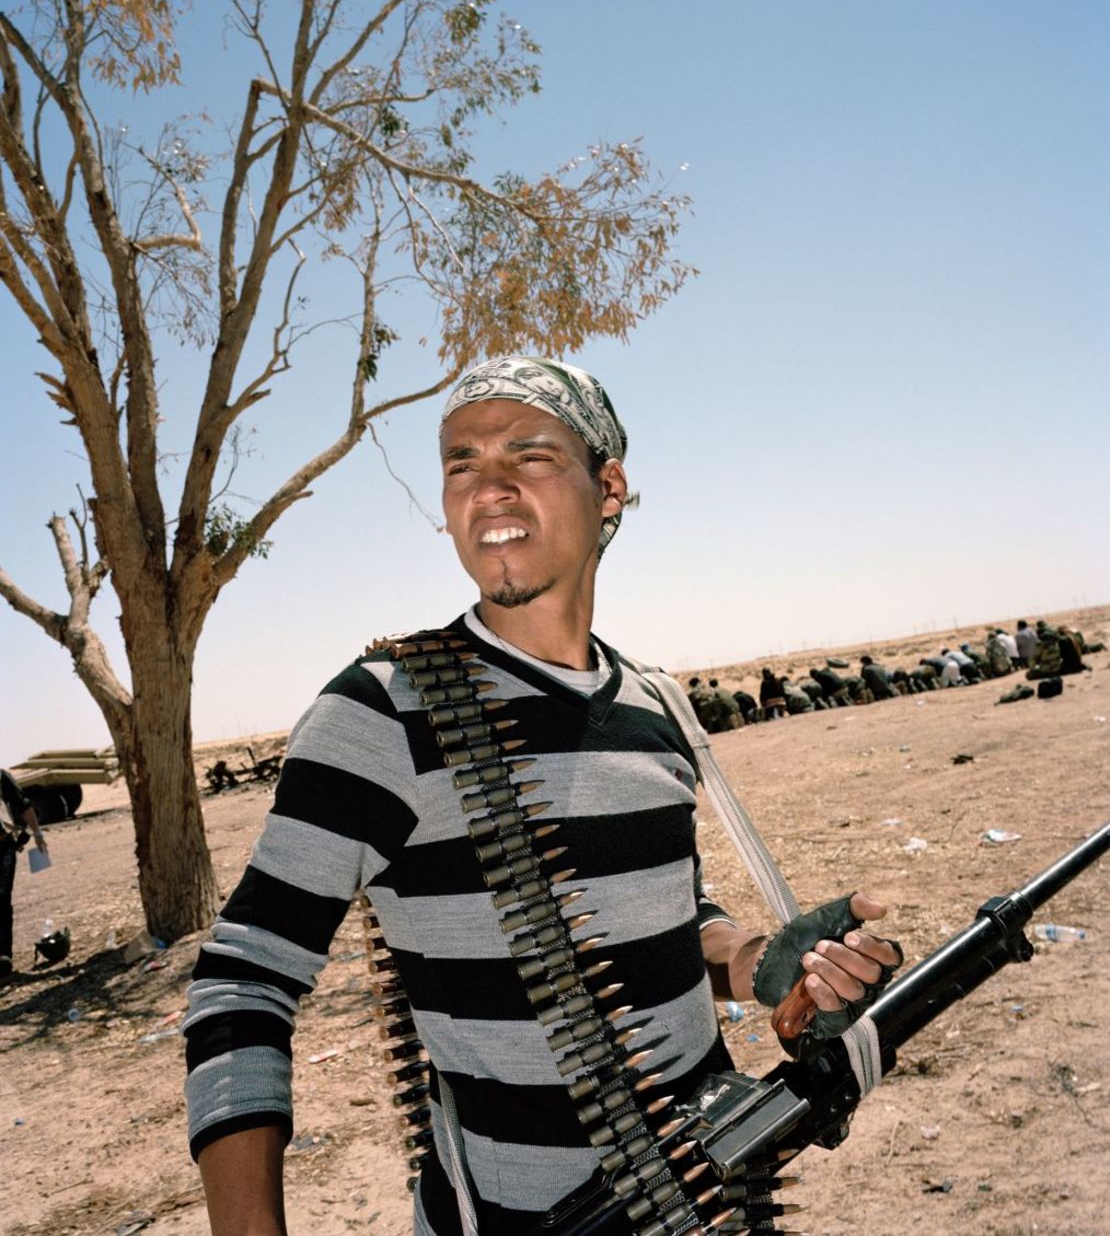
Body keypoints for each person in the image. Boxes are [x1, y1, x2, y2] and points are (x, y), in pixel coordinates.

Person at [184, 356, 901, 1236]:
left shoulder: (656, 703)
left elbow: (663, 910)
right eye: (461, 464)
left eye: (528, 456)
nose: (488, 489)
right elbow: (242, 983)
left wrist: (759, 965)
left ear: (609, 487)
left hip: (711, 1201)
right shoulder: (382, 710)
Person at [1, 767, 47, 980]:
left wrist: (37, 833)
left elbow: (23, 804)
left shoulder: (1, 777)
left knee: (1, 899)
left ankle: (3, 956)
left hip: (2, 847)